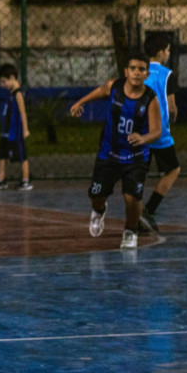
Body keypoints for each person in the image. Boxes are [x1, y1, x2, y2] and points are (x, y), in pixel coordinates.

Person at [69, 53, 162, 250]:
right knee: (96, 196)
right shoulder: (115, 87)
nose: (137, 73)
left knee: (132, 197)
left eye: (141, 69)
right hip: (109, 153)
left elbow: (157, 131)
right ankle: (99, 211)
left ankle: (130, 231)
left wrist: (143, 138)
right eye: (133, 69)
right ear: (126, 72)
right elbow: (101, 91)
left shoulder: (150, 99)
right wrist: (81, 102)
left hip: (136, 157)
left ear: (147, 74)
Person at [139, 34, 179, 233]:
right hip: (160, 133)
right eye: (168, 50)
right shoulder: (167, 74)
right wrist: (172, 121)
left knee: (138, 174)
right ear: (161, 52)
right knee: (173, 169)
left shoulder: (140, 73)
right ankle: (149, 209)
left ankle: (135, 213)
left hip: (141, 132)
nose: (169, 54)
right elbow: (171, 108)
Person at [0, 63, 32, 191]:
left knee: (22, 156)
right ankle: (1, 179)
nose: (3, 85)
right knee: (3, 155)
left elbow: (23, 113)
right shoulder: (10, 94)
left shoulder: (18, 94)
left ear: (12, 77)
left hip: (15, 132)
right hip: (6, 131)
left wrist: (25, 129)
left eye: (4, 81)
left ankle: (26, 181)